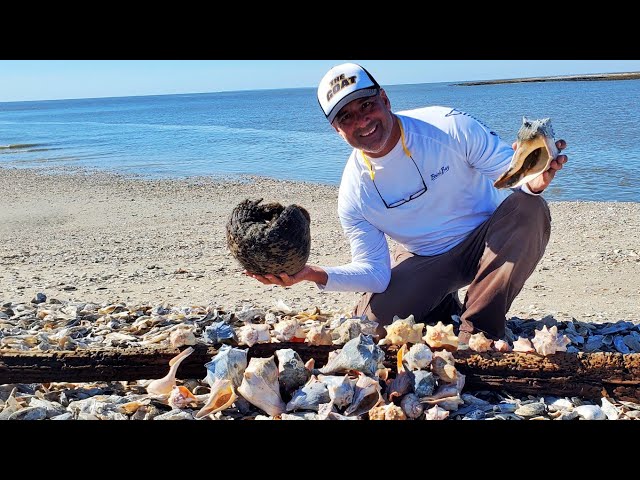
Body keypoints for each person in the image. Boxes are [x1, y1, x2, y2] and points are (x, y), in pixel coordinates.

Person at [246, 62, 568, 343]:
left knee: (530, 207)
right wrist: (310, 273)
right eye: (346, 117)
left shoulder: (448, 126)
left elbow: (510, 172)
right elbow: (374, 272)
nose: (361, 122)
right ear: (336, 130)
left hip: (486, 243)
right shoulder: (353, 192)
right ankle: (443, 307)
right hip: (425, 258)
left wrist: (535, 179)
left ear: (384, 98)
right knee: (373, 326)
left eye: (366, 105)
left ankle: (479, 332)